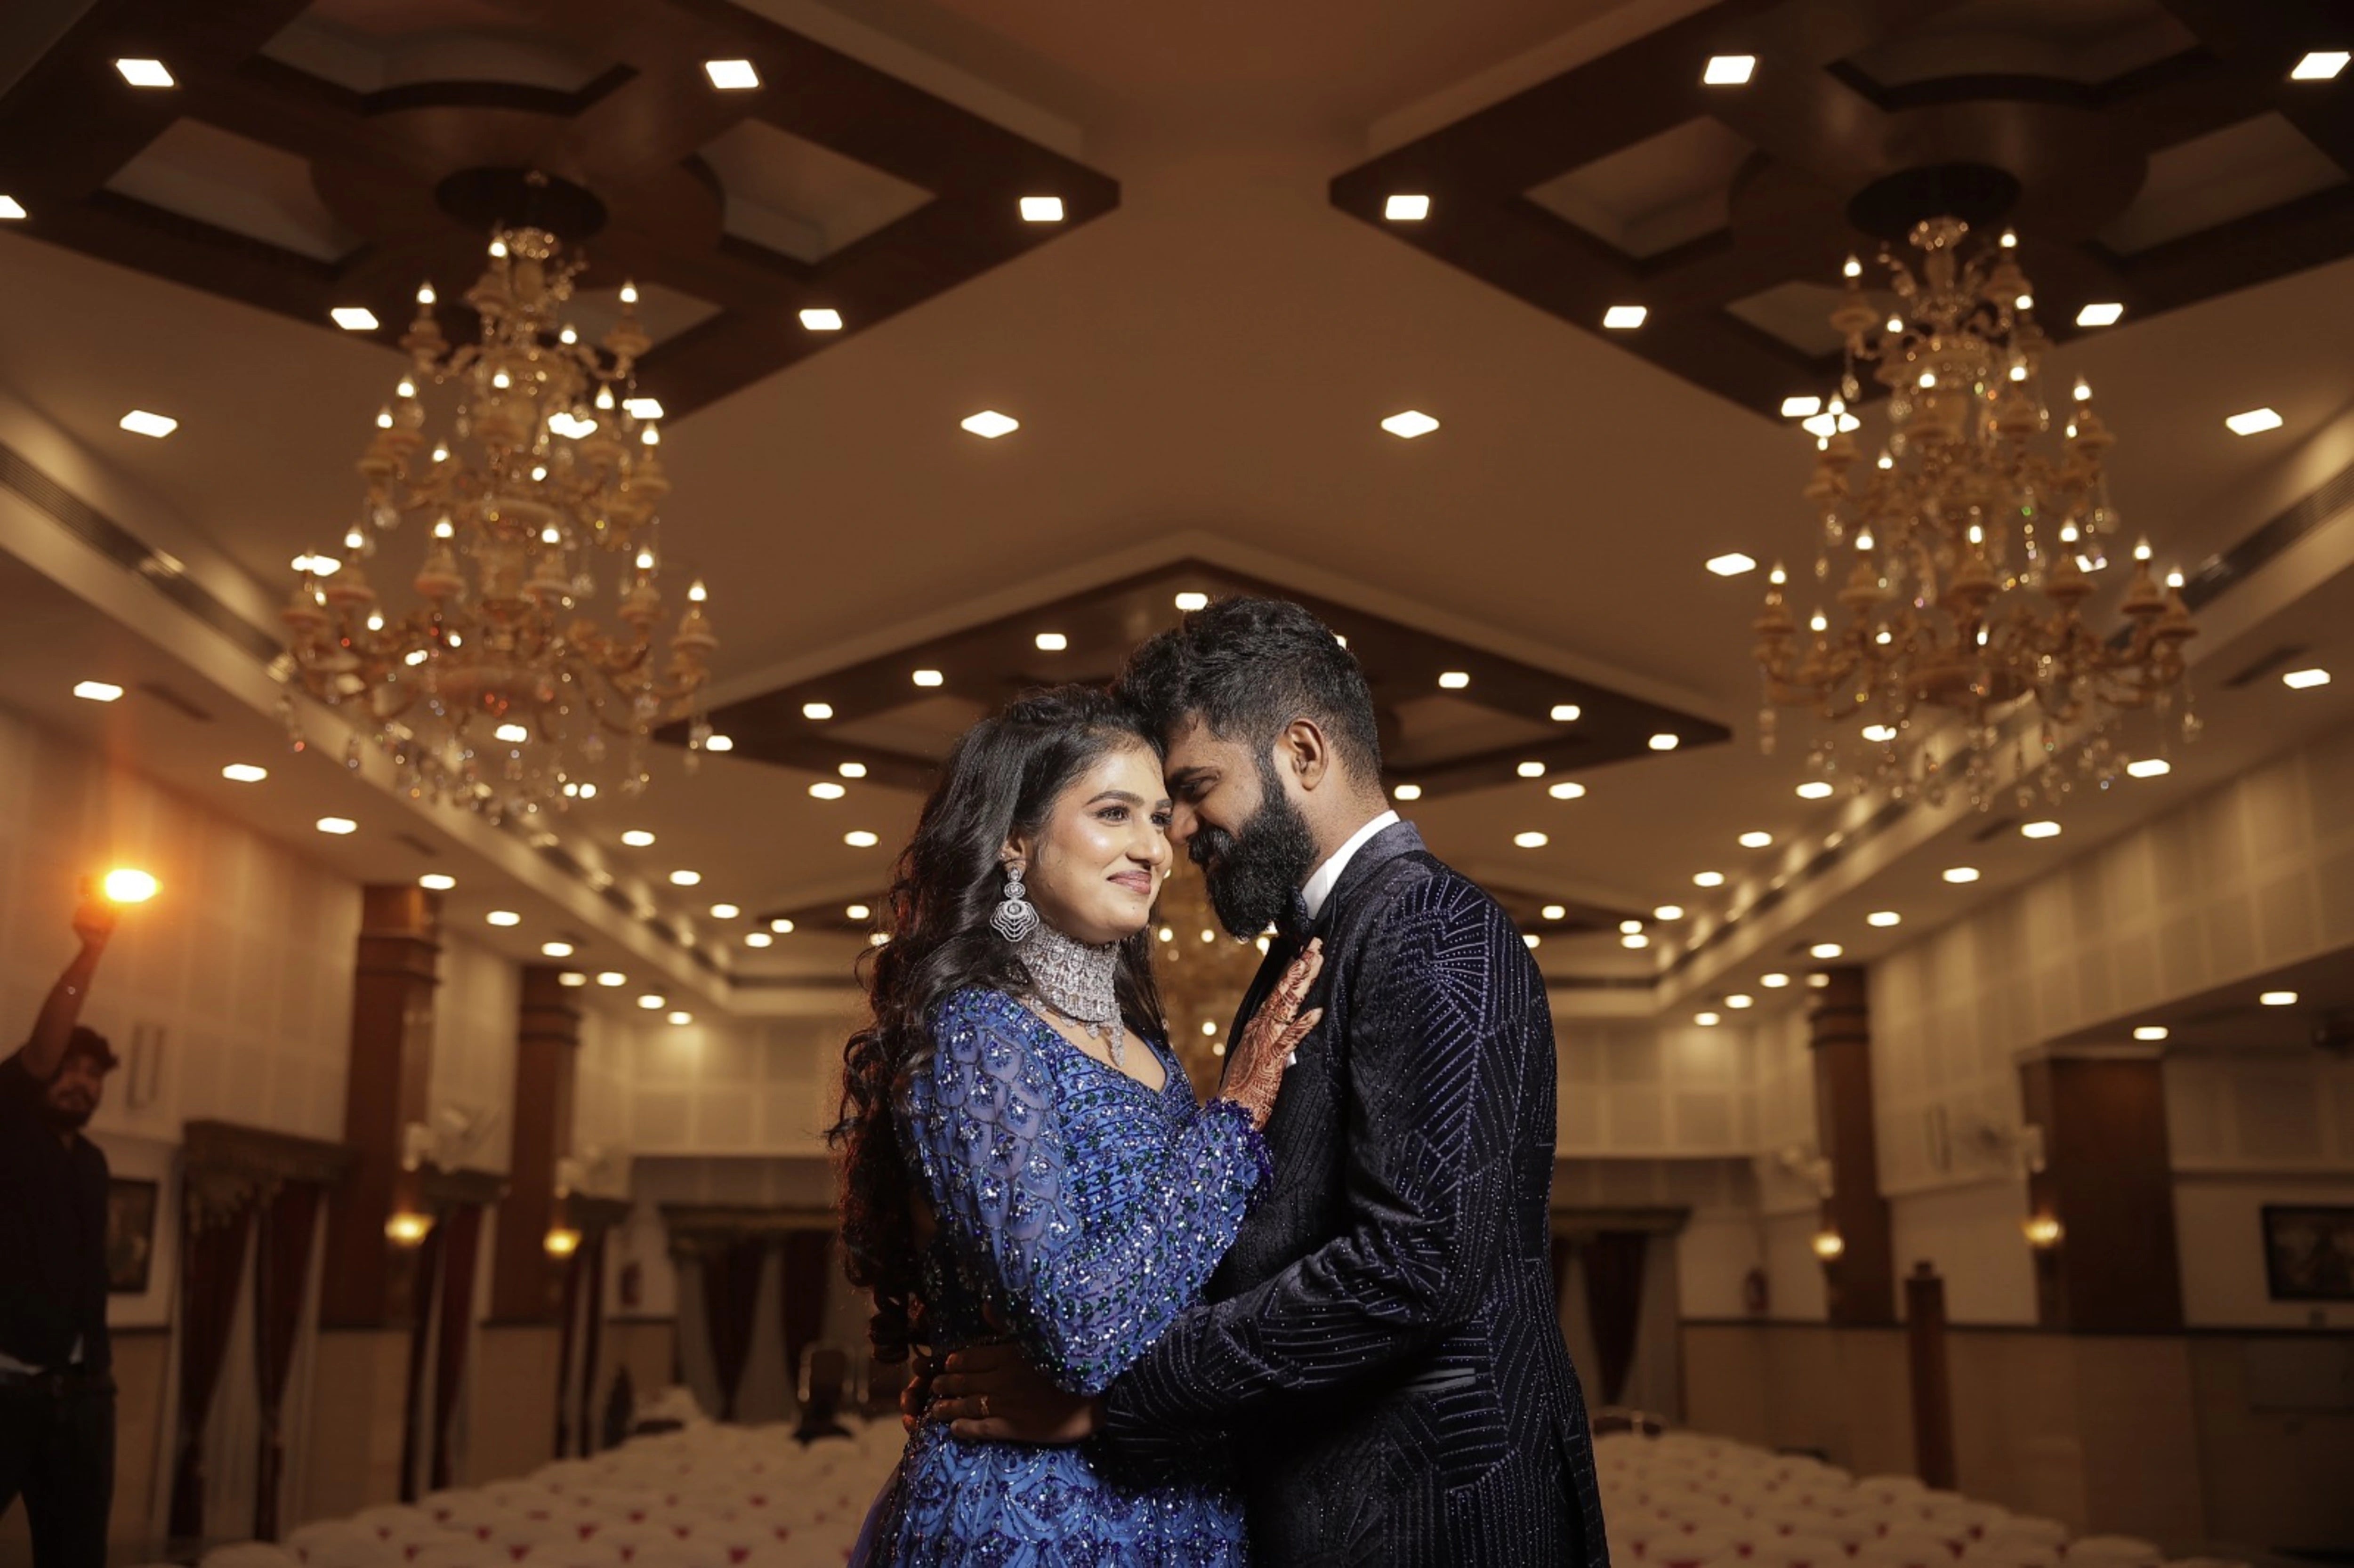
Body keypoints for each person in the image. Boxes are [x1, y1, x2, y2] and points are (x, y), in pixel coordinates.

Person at [929, 597, 1610, 1566]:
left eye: (1193, 791)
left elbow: (1411, 1265)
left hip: (1432, 1516)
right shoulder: (1317, 943)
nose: (1181, 836)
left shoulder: (1431, 926)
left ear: (1301, 752)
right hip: (1328, 1504)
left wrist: (1117, 1395)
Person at [833, 685, 1322, 1565]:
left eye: (1161, 818)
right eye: (1113, 814)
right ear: (1014, 842)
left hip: (1189, 1507)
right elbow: (1077, 1327)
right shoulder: (978, 1034)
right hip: (1033, 1523)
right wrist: (1238, 1114)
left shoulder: (1146, 1051)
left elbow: (1186, 1281)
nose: (1154, 847)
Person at [0, 890, 124, 1568]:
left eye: (93, 1076)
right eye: (70, 1071)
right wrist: (91, 952)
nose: (79, 1084)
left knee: (77, 1555)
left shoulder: (96, 1162)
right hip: (5, 1387)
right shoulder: (9, 1128)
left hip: (82, 1397)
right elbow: (40, 1054)